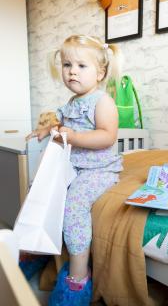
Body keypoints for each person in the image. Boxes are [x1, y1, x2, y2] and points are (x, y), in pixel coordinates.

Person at [29, 35, 123, 306]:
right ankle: (36, 249)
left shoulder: (102, 101)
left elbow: (107, 136)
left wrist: (74, 137)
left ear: (100, 72)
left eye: (82, 66)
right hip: (72, 166)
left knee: (74, 205)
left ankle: (79, 276)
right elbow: (61, 123)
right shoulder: (71, 102)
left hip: (98, 169)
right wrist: (48, 129)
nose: (72, 71)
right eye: (67, 64)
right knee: (41, 192)